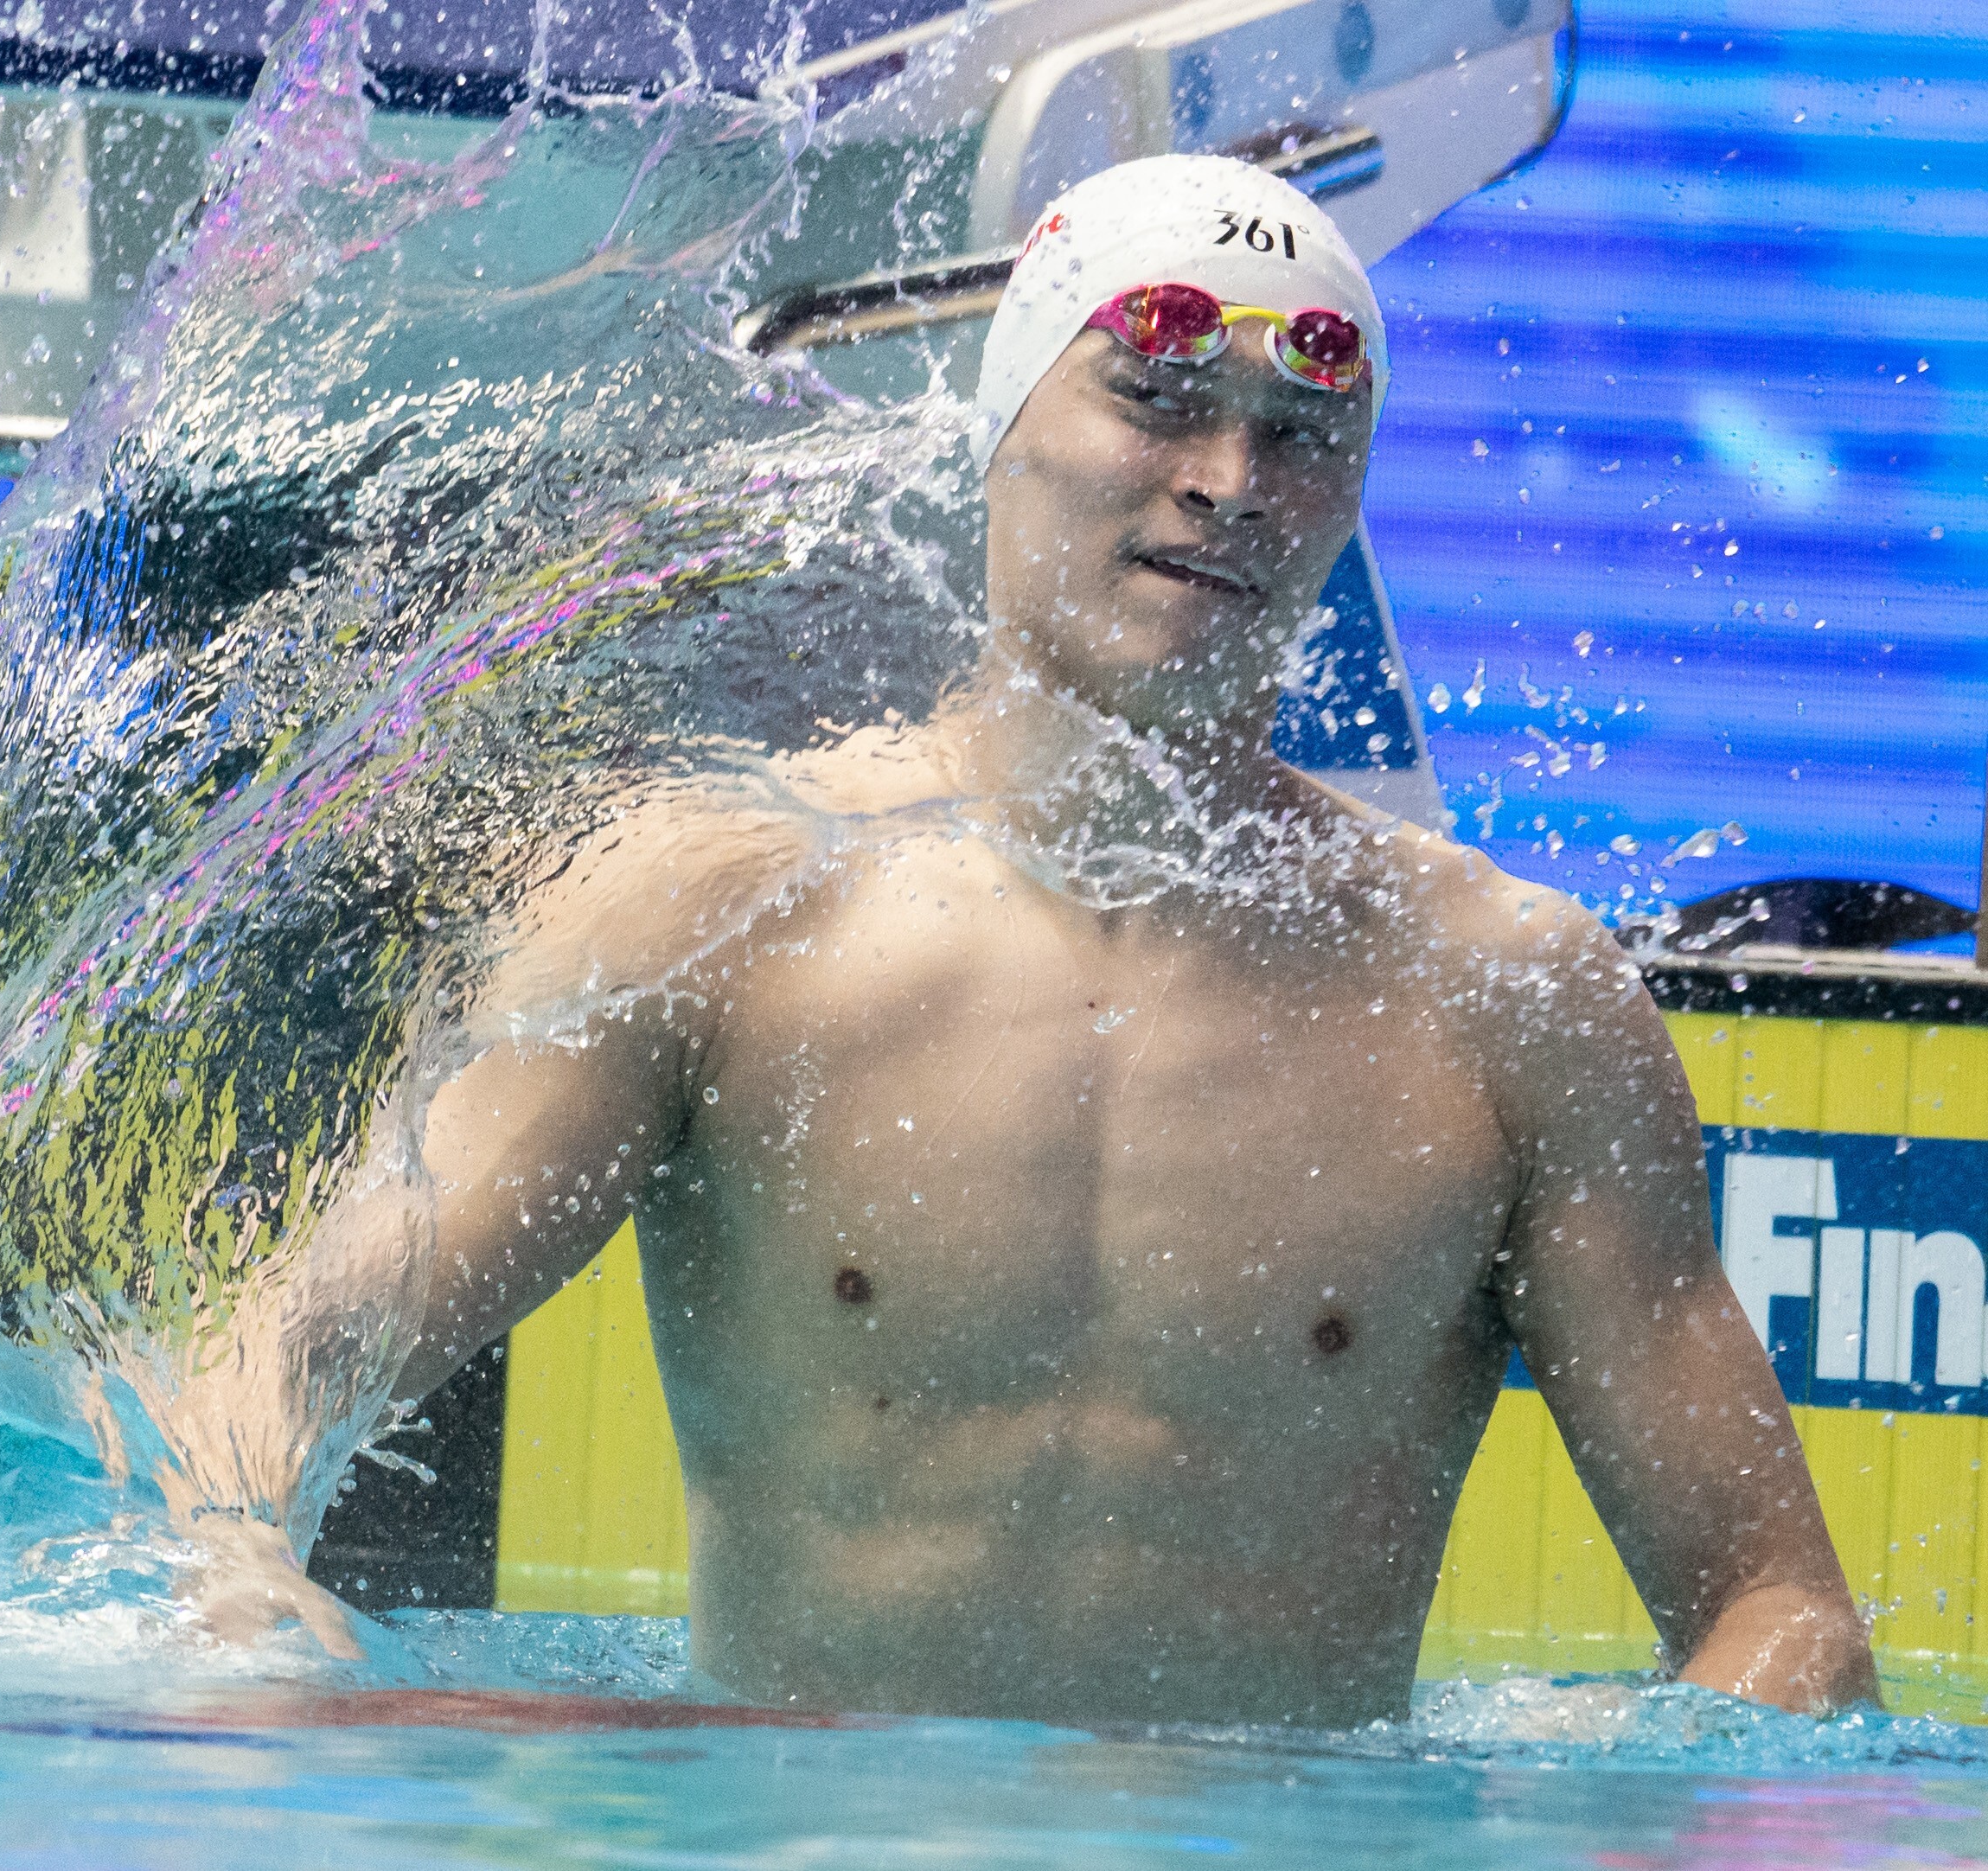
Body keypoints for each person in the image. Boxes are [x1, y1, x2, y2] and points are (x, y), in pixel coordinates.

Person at [374, 153, 1879, 1727]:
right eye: (1157, 401)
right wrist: (231, 1594)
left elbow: (1781, 1615)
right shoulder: (722, 901)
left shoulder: (1506, 996)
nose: (1230, 476)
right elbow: (308, 1349)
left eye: (1301, 435)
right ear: (1002, 423)